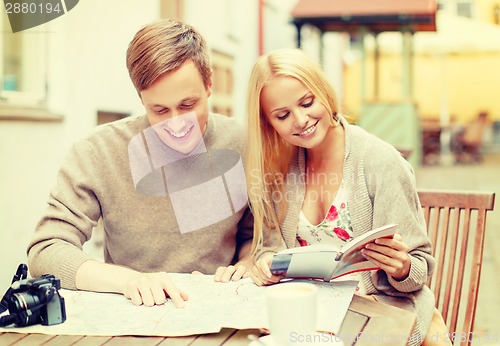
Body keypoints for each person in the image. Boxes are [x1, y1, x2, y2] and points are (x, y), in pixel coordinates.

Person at [27, 19, 253, 308]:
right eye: (159, 110)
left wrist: (248, 260)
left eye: (187, 105)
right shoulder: (98, 152)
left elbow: (254, 234)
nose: (177, 124)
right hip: (135, 313)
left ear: (209, 86)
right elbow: (46, 250)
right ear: (141, 99)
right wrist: (126, 280)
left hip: (221, 312)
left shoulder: (244, 143)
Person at [245, 49, 449, 345]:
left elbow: (418, 270)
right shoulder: (278, 168)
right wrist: (265, 263)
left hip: (377, 317)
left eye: (307, 102)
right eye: (283, 115)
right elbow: (267, 248)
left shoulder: (381, 162)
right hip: (310, 318)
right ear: (269, 123)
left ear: (325, 92)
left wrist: (402, 267)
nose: (300, 120)